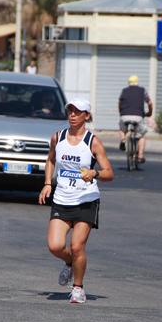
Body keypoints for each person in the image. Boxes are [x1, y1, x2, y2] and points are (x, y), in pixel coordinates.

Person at [38, 97, 113, 304]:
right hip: (62, 199)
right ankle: (70, 263)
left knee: (77, 246)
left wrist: (94, 173)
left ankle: (78, 287)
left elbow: (109, 173)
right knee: (54, 246)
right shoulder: (58, 137)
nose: (72, 114)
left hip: (86, 201)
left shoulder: (92, 142)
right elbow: (51, 159)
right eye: (70, 110)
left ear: (86, 116)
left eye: (78, 111)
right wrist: (47, 184)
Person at [118, 75, 153, 163]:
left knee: (122, 129)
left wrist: (121, 112)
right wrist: (149, 112)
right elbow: (150, 102)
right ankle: (140, 156)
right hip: (138, 116)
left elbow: (120, 102)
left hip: (124, 115)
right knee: (141, 135)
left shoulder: (124, 91)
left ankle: (123, 140)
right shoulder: (142, 90)